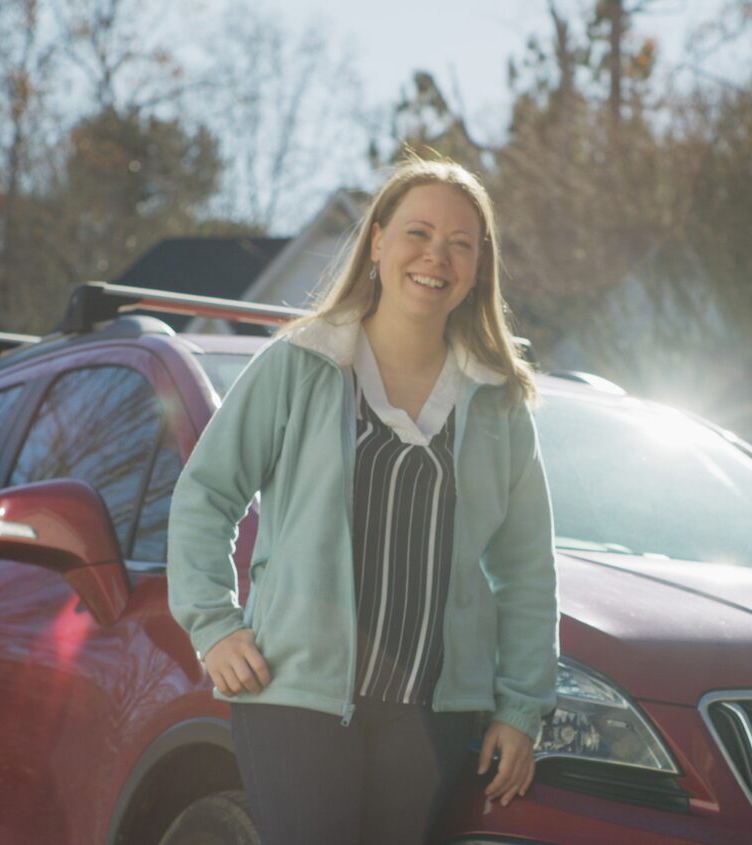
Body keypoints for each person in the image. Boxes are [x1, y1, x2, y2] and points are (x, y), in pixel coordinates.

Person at [167, 155, 559, 845]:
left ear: (477, 268)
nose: (436, 255)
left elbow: (525, 568)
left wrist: (520, 707)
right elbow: (206, 492)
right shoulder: (300, 366)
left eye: (460, 243)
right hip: (296, 699)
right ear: (377, 241)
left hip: (431, 716)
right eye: (418, 232)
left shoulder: (498, 404)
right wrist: (212, 623)